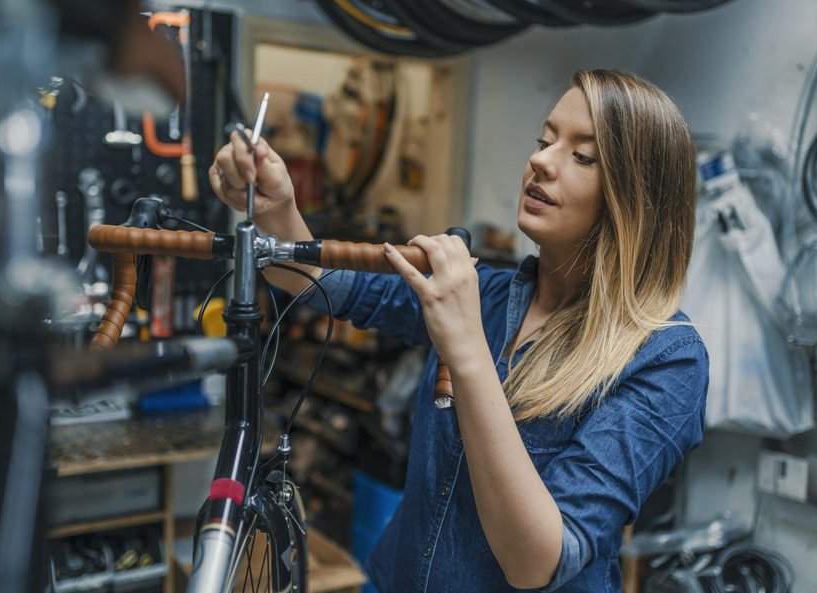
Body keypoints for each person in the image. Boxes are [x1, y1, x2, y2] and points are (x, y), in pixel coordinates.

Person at [209, 69, 708, 593]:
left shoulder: (666, 358)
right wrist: (277, 209)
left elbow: (536, 561)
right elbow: (322, 283)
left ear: (638, 200)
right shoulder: (485, 294)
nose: (539, 160)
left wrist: (467, 349)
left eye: (582, 156)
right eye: (545, 140)